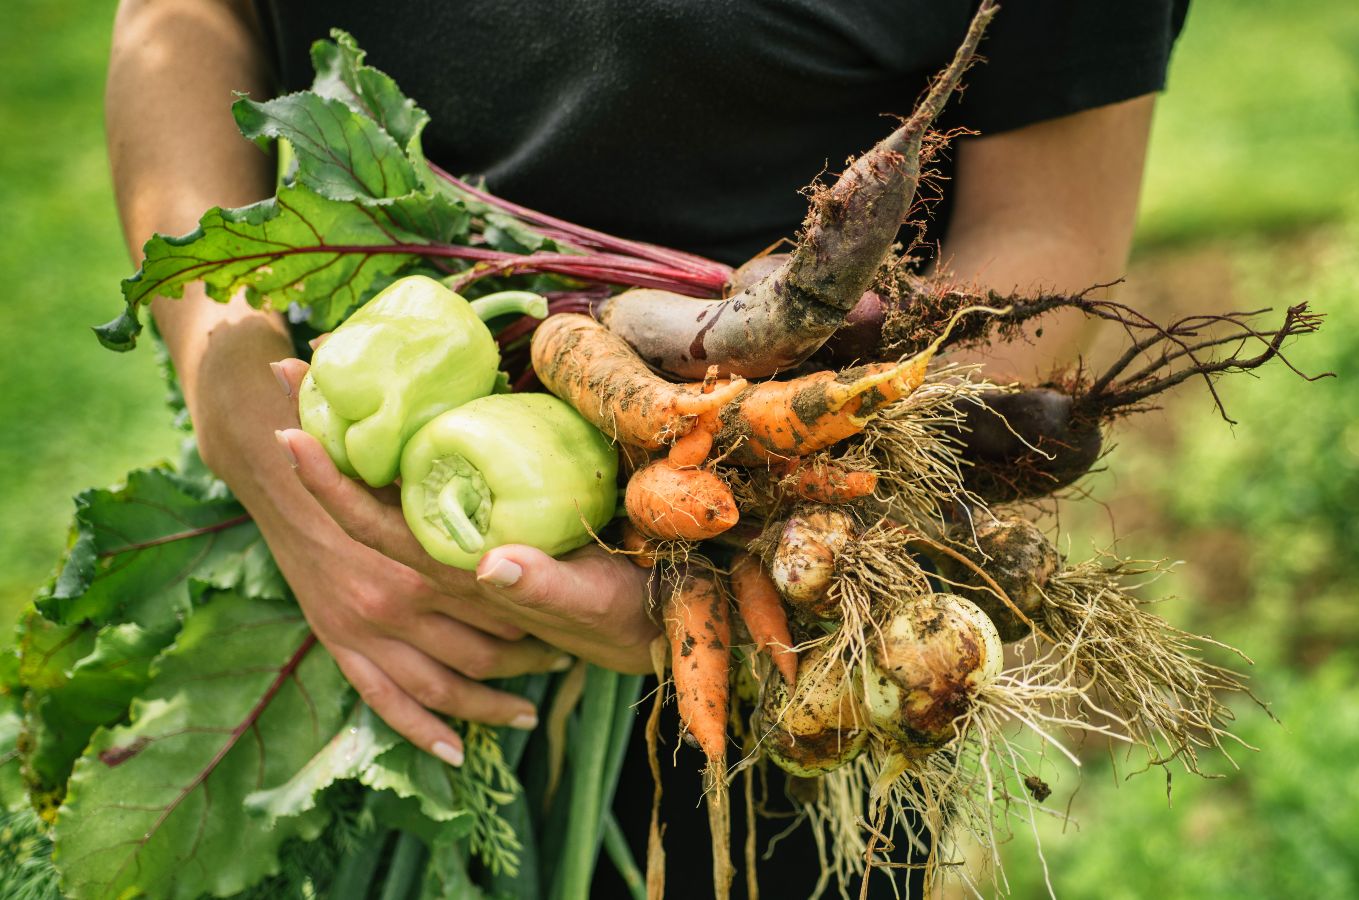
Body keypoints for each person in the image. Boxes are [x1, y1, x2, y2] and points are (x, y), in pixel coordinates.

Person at [106, 1, 1187, 893]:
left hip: (785, 648)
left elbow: (1048, 222)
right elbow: (181, 20)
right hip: (343, 554)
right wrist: (232, 388)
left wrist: (766, 523)